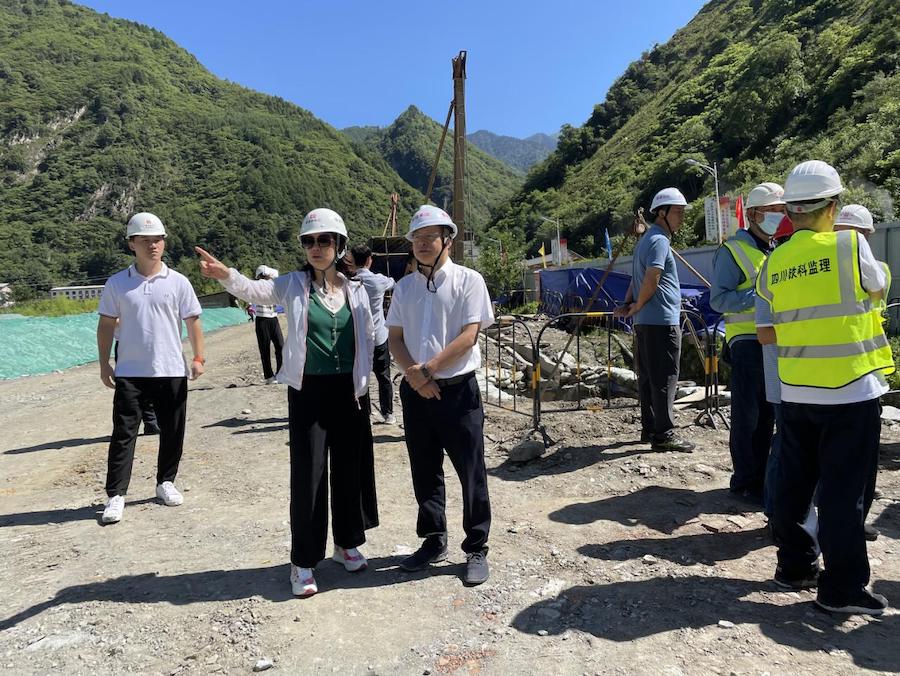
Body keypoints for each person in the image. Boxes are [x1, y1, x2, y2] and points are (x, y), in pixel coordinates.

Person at [196, 208, 377, 598]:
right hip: (309, 391)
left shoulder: (357, 290)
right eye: (309, 241)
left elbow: (370, 335)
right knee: (310, 475)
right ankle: (303, 561)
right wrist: (225, 274)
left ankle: (346, 542)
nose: (316, 247)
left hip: (349, 393)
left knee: (350, 470)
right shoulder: (293, 285)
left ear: (339, 245)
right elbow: (253, 291)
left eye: (324, 240)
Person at [756, 160, 894, 615]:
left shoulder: (773, 261)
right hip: (850, 391)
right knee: (842, 493)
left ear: (790, 211)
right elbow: (878, 288)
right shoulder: (851, 245)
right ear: (833, 206)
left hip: (797, 390)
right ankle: (841, 589)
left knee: (794, 486)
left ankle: (794, 566)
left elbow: (767, 326)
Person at [387, 205, 495, 586]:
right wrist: (415, 378)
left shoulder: (469, 281)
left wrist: (428, 370)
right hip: (417, 393)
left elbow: (469, 335)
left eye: (430, 237)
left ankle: (476, 547)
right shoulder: (404, 288)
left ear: (447, 239)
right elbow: (395, 339)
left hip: (458, 392)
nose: (422, 244)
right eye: (417, 238)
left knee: (471, 470)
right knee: (425, 469)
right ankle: (433, 540)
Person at [96, 212, 205, 525]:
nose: (152, 245)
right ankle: (116, 495)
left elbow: (193, 321)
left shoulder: (178, 282)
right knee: (124, 433)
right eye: (144, 240)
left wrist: (199, 358)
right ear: (132, 244)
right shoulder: (118, 283)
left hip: (171, 369)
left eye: (157, 239)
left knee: (173, 430)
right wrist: (104, 364)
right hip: (130, 371)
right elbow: (106, 325)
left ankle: (165, 482)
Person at [710, 182, 785, 505]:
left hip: (773, 340)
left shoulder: (777, 249)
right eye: (773, 211)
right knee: (748, 415)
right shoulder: (732, 251)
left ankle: (761, 478)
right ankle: (744, 481)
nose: (779, 216)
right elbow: (719, 299)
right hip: (746, 341)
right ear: (753, 214)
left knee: (768, 414)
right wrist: (762, 296)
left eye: (783, 211)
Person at [615, 188, 695, 452]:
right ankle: (664, 435)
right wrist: (637, 304)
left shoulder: (644, 241)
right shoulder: (660, 240)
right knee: (665, 377)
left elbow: (635, 279)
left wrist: (630, 304)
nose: (682, 217)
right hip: (661, 319)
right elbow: (652, 277)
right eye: (678, 212)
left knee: (649, 378)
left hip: (645, 321)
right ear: (662, 213)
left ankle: (650, 428)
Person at [833, 204, 889, 542]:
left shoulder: (875, 267)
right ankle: (850, 523)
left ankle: (847, 521)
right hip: (856, 373)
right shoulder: (869, 263)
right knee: (855, 459)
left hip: (833, 374)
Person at [349, 244, 397, 424]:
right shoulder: (378, 281)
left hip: (358, 338)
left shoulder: (348, 282)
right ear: (369, 260)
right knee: (383, 376)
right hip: (379, 336)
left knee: (362, 376)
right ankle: (388, 413)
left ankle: (365, 413)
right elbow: (393, 282)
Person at [251, 265, 284, 384]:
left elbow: (276, 274)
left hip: (273, 318)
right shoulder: (256, 286)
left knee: (280, 346)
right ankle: (269, 376)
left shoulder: (272, 286)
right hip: (262, 319)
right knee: (264, 349)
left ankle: (280, 373)